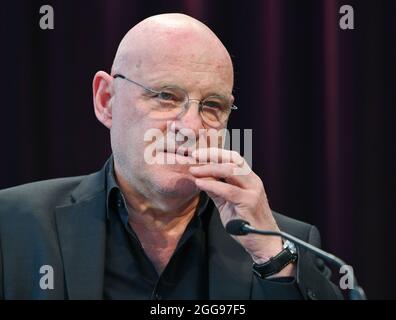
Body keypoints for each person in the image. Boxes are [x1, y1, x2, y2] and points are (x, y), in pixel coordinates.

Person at [0, 13, 342, 300]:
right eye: (165, 96)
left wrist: (273, 259)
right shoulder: (14, 224)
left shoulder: (285, 245)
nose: (190, 126)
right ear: (106, 100)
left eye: (212, 106)